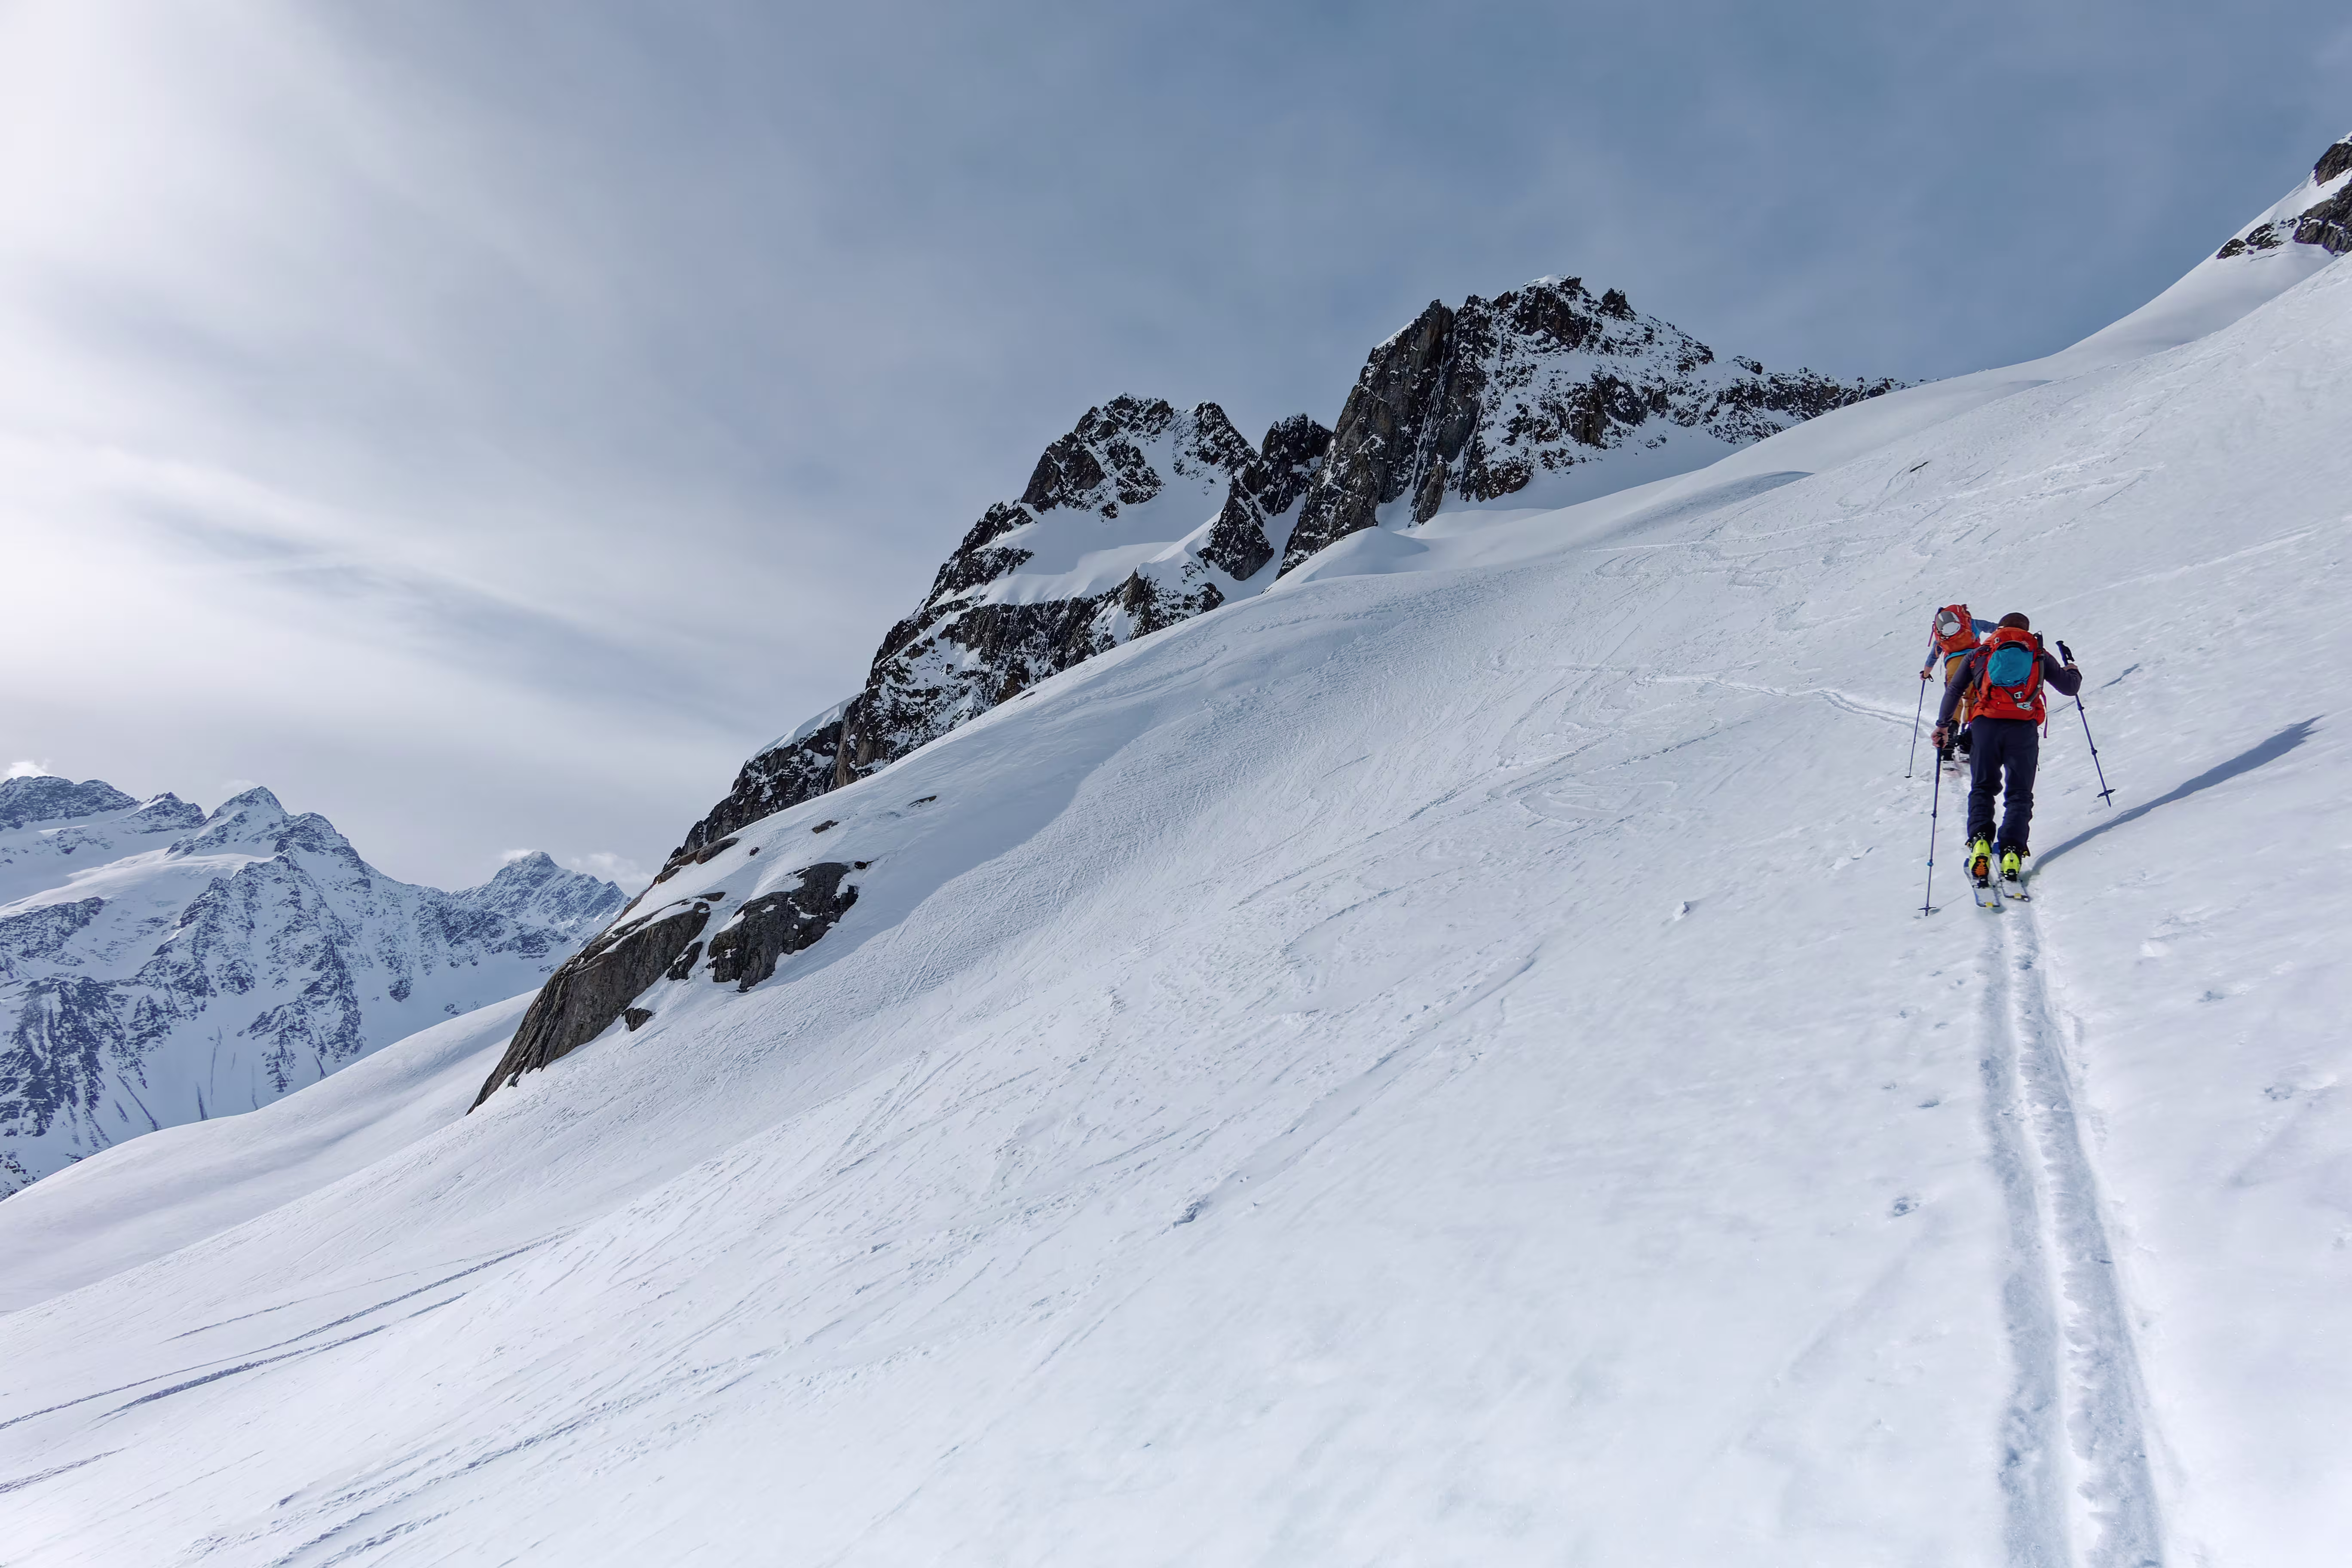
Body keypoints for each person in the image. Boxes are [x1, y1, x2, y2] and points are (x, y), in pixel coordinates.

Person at [1931, 612, 2082, 885]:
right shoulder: (2037, 652)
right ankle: (2012, 851)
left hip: (1985, 726)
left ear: (1999, 628)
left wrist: (1943, 726)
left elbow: (1954, 691)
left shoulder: (1981, 652)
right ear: (2027, 629)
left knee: (1983, 787)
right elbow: (2070, 689)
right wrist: (2072, 668)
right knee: (2020, 793)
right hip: (2023, 727)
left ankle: (1980, 842)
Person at [1919, 604, 1994, 762]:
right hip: (1976, 662)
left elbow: (1933, 657)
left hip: (1954, 665)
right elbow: (1996, 629)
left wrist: (1925, 674)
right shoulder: (1972, 623)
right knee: (1973, 699)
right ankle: (1967, 744)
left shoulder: (1941, 634)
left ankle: (1948, 746)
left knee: (1955, 700)